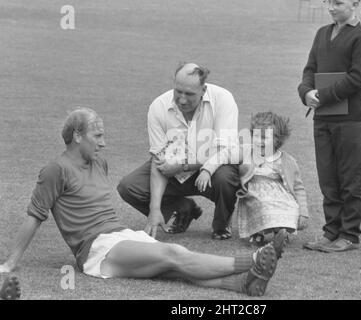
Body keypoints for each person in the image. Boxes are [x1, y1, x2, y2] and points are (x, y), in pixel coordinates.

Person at [0, 108, 288, 297]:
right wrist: (10, 263)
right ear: (77, 136)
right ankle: (250, 261)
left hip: (120, 236)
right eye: (97, 136)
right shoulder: (55, 170)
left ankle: (243, 284)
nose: (103, 143)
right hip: (96, 250)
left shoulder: (100, 163)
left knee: (173, 268)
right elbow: (35, 215)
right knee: (173, 253)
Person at [117, 62, 240, 240]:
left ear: (203, 89)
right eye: (178, 92)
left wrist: (183, 166)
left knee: (226, 178)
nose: (182, 100)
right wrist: (154, 209)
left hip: (213, 167)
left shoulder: (223, 99)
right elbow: (159, 161)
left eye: (189, 94)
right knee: (129, 187)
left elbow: (225, 151)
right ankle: (183, 209)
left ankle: (221, 225)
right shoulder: (158, 106)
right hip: (173, 169)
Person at [298, 0, 361, 252]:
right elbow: (309, 69)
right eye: (328, 2)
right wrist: (306, 91)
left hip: (352, 121)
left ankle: (349, 234)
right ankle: (331, 231)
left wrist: (322, 95)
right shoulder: (322, 33)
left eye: (338, 2)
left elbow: (358, 78)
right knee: (328, 179)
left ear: (355, 4)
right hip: (323, 119)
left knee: (351, 179)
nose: (331, 7)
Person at [236, 112, 309, 246]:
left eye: (264, 137)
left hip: (282, 195)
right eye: (256, 136)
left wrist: (303, 212)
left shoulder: (288, 160)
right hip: (256, 194)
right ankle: (260, 234)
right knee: (263, 204)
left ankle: (281, 233)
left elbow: (298, 187)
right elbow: (225, 154)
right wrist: (208, 169)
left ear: (278, 139)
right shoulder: (247, 153)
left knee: (291, 206)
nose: (259, 141)